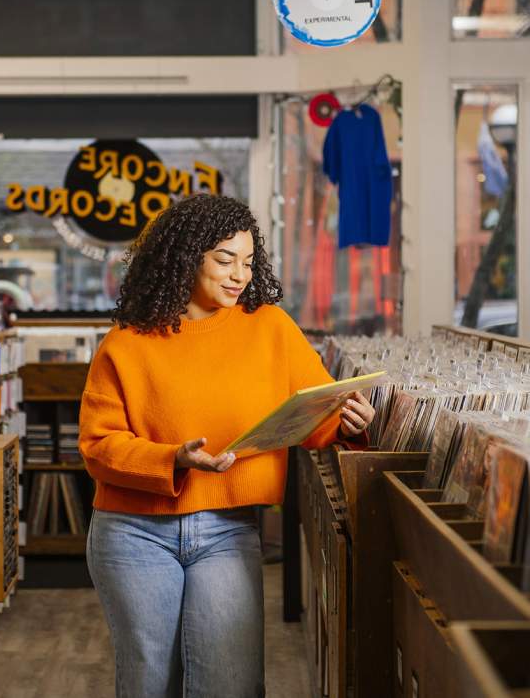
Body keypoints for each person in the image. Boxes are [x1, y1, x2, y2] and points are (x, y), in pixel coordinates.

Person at [79, 193, 375, 698]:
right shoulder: (126, 343)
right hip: (134, 534)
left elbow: (316, 414)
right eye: (224, 259)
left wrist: (349, 420)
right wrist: (172, 458)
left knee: (231, 685)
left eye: (247, 260)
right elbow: (98, 446)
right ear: (186, 255)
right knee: (151, 683)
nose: (239, 274)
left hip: (227, 530)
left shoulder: (271, 328)